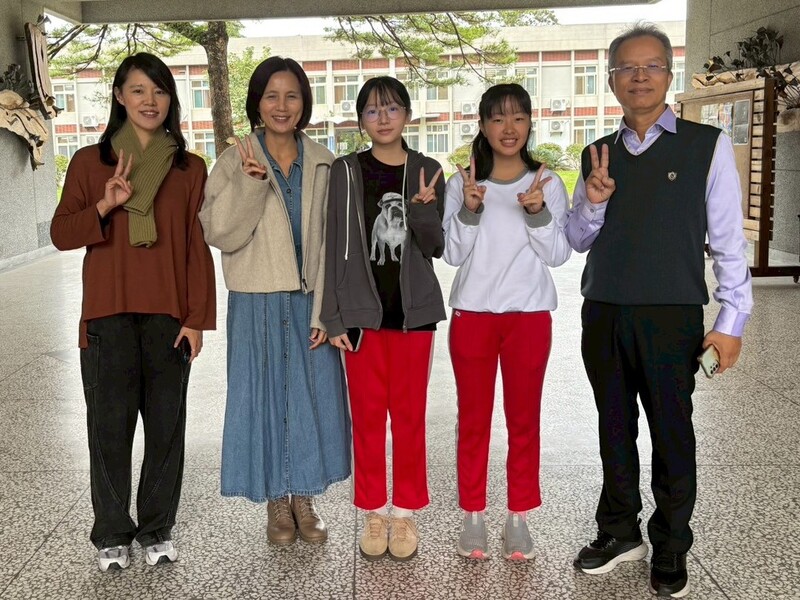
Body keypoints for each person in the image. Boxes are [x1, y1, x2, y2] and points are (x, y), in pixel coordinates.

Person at [566, 23, 753, 598]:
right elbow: (575, 239)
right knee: (613, 428)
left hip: (671, 315)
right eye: (628, 67)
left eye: (651, 66)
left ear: (668, 76)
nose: (640, 76)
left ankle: (671, 543)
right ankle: (619, 530)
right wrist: (593, 203)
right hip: (603, 312)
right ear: (614, 78)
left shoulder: (705, 145)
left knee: (673, 433)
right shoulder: (597, 152)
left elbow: (728, 241)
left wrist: (730, 322)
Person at [50, 52, 216, 571]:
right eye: (139, 90)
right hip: (107, 315)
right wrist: (104, 205)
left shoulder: (190, 168)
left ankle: (157, 528)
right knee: (108, 429)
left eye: (160, 91)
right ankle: (111, 534)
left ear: (172, 101)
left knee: (166, 428)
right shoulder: (88, 163)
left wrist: (196, 318)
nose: (150, 101)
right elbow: (61, 234)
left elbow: (196, 246)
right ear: (120, 96)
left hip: (168, 315)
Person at [199, 57, 349, 547]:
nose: (282, 106)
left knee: (312, 398)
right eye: (271, 95)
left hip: (310, 300)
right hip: (256, 299)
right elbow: (219, 232)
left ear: (304, 102)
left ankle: (303, 496)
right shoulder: (233, 159)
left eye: (291, 95)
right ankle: (275, 502)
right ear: (256, 103)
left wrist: (329, 309)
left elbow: (334, 242)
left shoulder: (325, 161)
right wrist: (249, 182)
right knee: (262, 396)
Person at [442, 83, 572, 561]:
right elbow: (452, 252)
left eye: (518, 117)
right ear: (482, 126)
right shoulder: (464, 182)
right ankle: (472, 515)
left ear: (530, 122)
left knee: (524, 419)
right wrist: (470, 208)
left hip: (529, 317)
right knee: (473, 420)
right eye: (498, 119)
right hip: (473, 315)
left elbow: (559, 254)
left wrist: (537, 213)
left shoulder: (548, 183)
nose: (509, 128)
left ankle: (519, 517)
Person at [320, 76, 446, 562]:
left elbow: (435, 248)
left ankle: (406, 513)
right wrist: (333, 317)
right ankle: (373, 509)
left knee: (409, 417)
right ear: (360, 120)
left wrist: (423, 212)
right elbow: (333, 245)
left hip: (413, 318)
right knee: (369, 418)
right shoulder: (345, 171)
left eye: (392, 108)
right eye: (373, 111)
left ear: (407, 115)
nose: (384, 118)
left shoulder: (426, 171)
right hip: (361, 319)